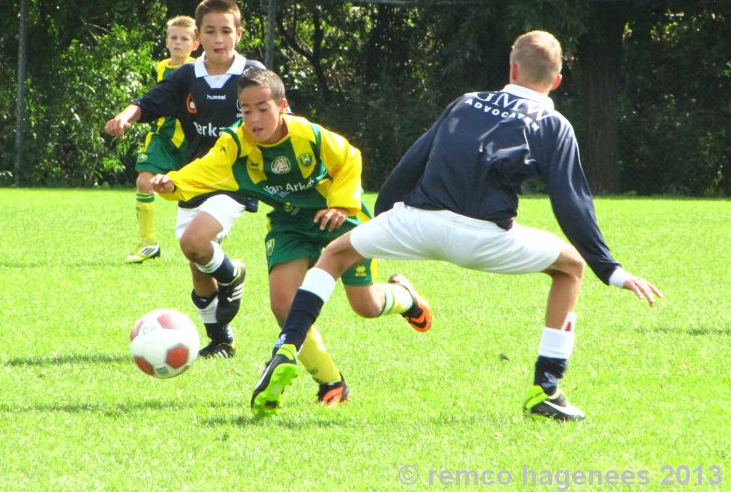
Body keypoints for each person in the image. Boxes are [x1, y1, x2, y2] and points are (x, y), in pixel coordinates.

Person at [250, 30, 662, 420]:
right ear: (555, 81)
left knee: (335, 253)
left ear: (513, 69)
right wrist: (609, 269)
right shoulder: (554, 125)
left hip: (416, 221)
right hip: (485, 239)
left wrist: (386, 218)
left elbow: (413, 162)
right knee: (570, 267)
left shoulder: (466, 102)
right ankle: (547, 387)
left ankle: (288, 345)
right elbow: (571, 201)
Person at [150, 68, 430, 407]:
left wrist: (341, 204)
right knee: (283, 304)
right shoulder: (235, 143)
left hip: (336, 216)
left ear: (282, 106)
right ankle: (331, 382)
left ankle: (405, 296)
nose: (253, 118)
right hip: (289, 224)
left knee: (365, 305)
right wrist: (174, 183)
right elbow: (206, 169)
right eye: (245, 109)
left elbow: (349, 157)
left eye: (262, 108)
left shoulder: (307, 135)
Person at [106, 0, 265, 358]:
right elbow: (152, 99)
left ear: (238, 34)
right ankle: (220, 340)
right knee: (196, 263)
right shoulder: (188, 75)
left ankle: (232, 275)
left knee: (196, 241)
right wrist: (127, 116)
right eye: (210, 31)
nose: (219, 39)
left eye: (226, 31)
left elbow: (280, 115)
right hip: (193, 177)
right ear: (199, 37)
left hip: (235, 179)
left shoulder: (252, 74)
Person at [125, 15, 199, 264]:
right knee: (144, 181)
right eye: (173, 37)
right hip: (162, 136)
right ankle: (148, 243)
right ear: (166, 41)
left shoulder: (199, 68)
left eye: (184, 39)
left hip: (191, 138)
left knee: (197, 193)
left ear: (195, 43)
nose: (178, 42)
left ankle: (207, 241)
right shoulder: (161, 67)